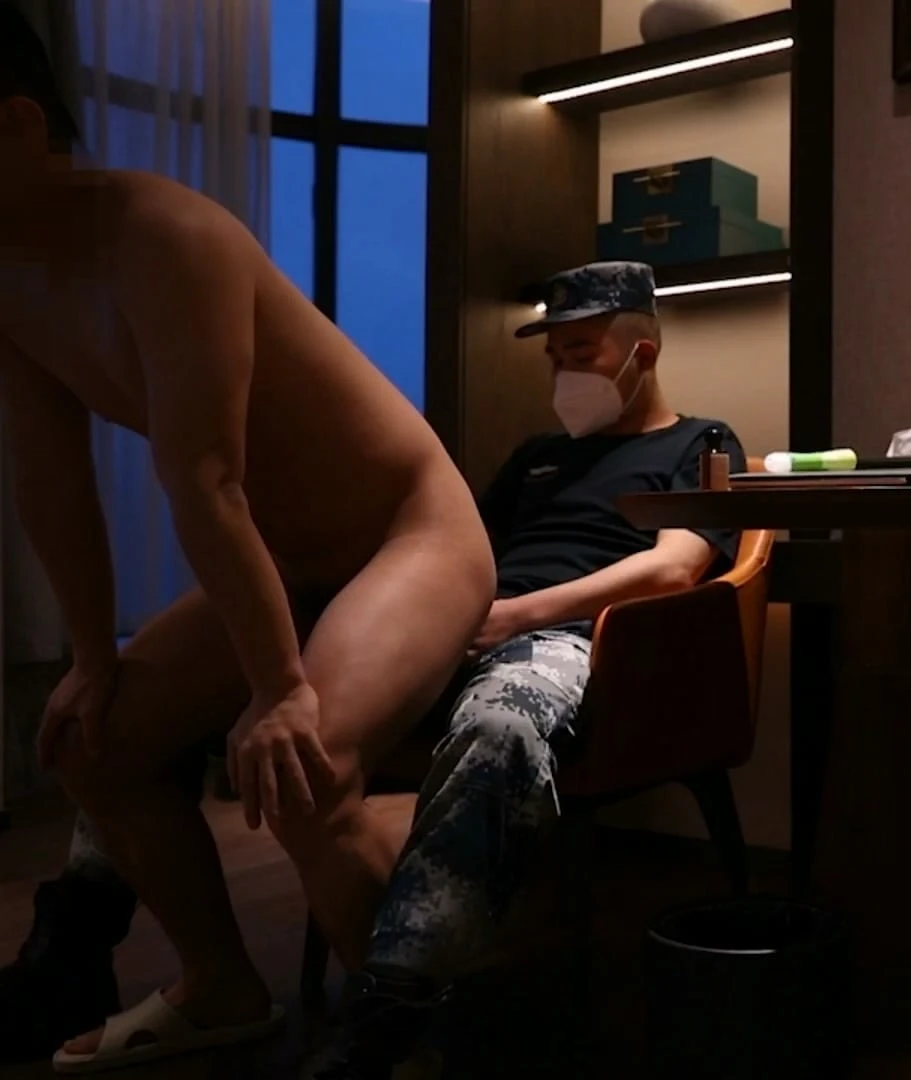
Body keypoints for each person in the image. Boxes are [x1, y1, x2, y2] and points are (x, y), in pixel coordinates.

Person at [1, 258, 748, 1077]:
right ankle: (76, 938)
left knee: (500, 722)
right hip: (459, 619)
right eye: (553, 356)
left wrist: (513, 615)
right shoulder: (538, 457)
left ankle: (398, 1003)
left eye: (581, 353)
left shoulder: (700, 442)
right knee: (173, 708)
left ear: (643, 353)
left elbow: (675, 567)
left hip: (566, 635)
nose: (563, 373)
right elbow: (456, 547)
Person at [1, 9, 497, 1072]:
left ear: (16, 127)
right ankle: (221, 987)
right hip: (292, 559)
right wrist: (90, 657)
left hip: (408, 532)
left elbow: (205, 478)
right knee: (92, 745)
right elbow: (51, 476)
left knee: (302, 768)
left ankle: (402, 1038)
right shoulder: (10, 278)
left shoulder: (166, 237)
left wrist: (280, 689)